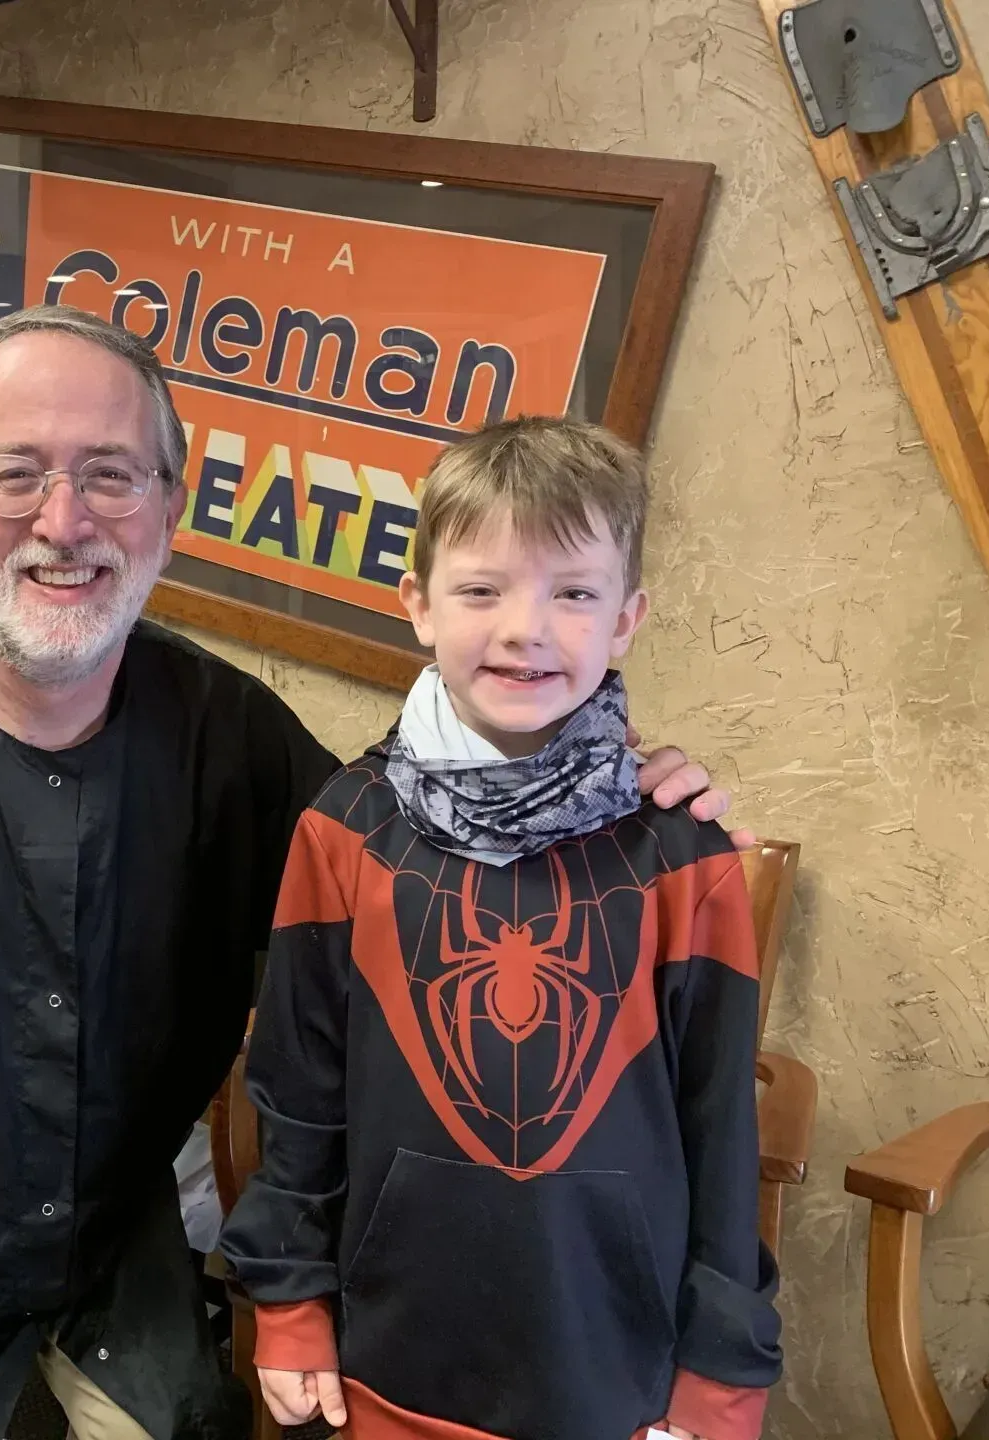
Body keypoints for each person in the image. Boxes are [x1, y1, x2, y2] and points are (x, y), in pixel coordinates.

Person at [0, 307, 747, 1440]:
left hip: (109, 1282)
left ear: (170, 512)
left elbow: (425, 871)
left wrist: (606, 788)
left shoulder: (230, 736)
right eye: (16, 475)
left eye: (111, 475)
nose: (64, 520)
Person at [219, 417, 783, 1440]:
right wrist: (290, 1306)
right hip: (392, 1359)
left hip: (620, 1377)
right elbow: (297, 1096)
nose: (527, 629)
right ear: (419, 605)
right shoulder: (343, 832)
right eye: (482, 589)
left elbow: (722, 1131)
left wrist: (723, 1376)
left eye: (573, 591)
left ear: (627, 618)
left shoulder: (686, 858)